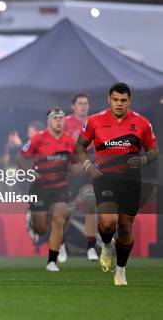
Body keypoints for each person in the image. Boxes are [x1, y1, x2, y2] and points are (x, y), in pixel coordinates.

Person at [76, 82, 158, 286]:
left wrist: (144, 159)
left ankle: (120, 271)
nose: (119, 104)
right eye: (115, 100)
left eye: (123, 100)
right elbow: (80, 146)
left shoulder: (142, 123)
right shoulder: (94, 121)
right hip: (104, 177)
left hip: (130, 180)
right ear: (108, 100)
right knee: (107, 222)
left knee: (125, 226)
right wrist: (88, 165)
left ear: (129, 100)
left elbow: (154, 150)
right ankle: (105, 244)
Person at [18, 107, 77, 271]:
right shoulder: (37, 138)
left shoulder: (70, 141)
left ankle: (52, 261)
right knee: (41, 228)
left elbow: (78, 163)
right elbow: (21, 158)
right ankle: (33, 220)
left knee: (59, 220)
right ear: (49, 121)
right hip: (39, 189)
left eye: (61, 117)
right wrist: (29, 172)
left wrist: (83, 168)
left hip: (60, 188)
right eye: (55, 118)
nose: (59, 120)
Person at [64, 92, 98, 261]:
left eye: (86, 103)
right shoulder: (64, 123)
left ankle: (91, 247)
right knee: (65, 212)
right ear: (73, 106)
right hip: (69, 175)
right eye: (80, 103)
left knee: (91, 202)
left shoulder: (95, 123)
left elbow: (98, 149)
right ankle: (60, 244)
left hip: (86, 173)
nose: (83, 106)